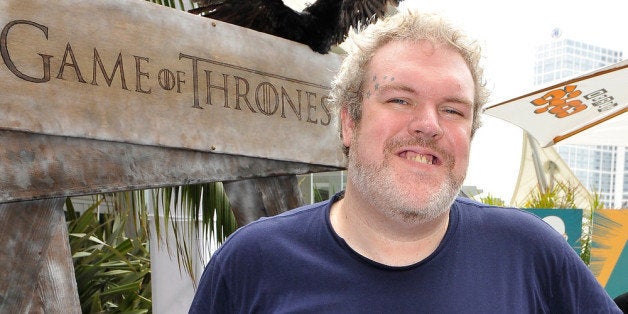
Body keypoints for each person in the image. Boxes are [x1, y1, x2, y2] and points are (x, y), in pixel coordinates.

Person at [189, 10, 621, 313]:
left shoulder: (530, 254)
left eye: (453, 110)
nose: (428, 125)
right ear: (348, 123)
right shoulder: (251, 263)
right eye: (400, 99)